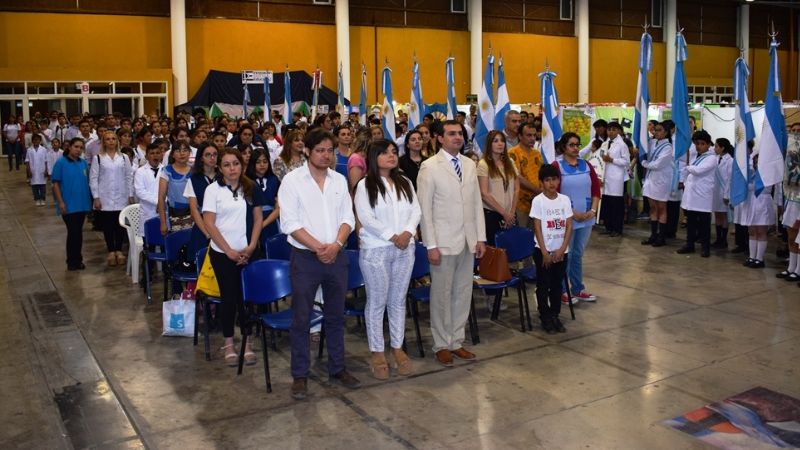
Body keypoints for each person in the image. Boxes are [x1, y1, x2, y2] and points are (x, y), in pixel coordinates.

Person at [278, 128, 360, 400]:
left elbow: (348, 218)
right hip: (305, 258)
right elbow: (290, 223)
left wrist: (335, 245)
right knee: (302, 318)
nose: (326, 155)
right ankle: (300, 375)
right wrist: (319, 248)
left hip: (336, 256)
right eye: (320, 150)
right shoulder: (292, 181)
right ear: (307, 151)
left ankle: (338, 367)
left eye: (329, 151)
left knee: (335, 316)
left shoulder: (339, 180)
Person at [417, 120, 486, 367]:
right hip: (443, 242)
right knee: (441, 295)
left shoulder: (469, 164)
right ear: (439, 138)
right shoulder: (429, 167)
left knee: (463, 293)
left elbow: (476, 203)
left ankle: (456, 341)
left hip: (468, 240)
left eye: (460, 134)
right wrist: (431, 245)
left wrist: (480, 237)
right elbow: (424, 210)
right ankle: (441, 344)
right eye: (451, 134)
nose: (457, 137)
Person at [354, 139, 421, 380]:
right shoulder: (365, 185)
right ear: (374, 157)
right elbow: (366, 217)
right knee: (377, 301)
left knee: (398, 300)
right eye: (385, 153)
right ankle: (377, 351)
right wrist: (392, 236)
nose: (391, 156)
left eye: (394, 152)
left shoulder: (404, 182)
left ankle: (397, 347)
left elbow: (416, 210)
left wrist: (407, 233)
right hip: (377, 249)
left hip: (405, 248)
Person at [203, 148, 264, 367]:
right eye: (227, 165)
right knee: (229, 299)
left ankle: (247, 343)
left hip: (248, 252)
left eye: (236, 164)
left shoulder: (251, 187)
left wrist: (252, 246)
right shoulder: (213, 190)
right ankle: (228, 343)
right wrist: (228, 250)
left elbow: (258, 219)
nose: (232, 169)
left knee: (247, 299)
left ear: (242, 165)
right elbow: (209, 223)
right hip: (223, 254)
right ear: (220, 168)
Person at [552, 132, 601, 304]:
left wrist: (593, 210)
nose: (575, 148)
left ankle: (578, 288)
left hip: (587, 218)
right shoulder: (556, 166)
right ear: (563, 147)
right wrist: (572, 213)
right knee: (567, 254)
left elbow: (596, 190)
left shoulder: (587, 165)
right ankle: (561, 290)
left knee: (578, 254)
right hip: (568, 219)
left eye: (577, 145)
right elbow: (554, 194)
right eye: (571, 145)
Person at [531, 164, 573, 334]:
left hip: (561, 251)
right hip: (543, 251)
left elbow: (569, 226)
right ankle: (545, 316)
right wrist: (544, 252)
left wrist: (562, 249)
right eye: (547, 180)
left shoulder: (564, 200)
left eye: (554, 179)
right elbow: (537, 227)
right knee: (543, 285)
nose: (551, 183)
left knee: (557, 285)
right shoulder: (538, 201)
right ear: (541, 183)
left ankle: (555, 314)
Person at [89, 130, 133, 267]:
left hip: (122, 196)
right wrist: (96, 197)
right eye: (108, 139)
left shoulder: (124, 157)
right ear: (103, 142)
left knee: (120, 224)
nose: (111, 141)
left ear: (117, 141)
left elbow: (129, 177)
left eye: (113, 139)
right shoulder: (98, 158)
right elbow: (93, 178)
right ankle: (111, 251)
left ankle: (119, 250)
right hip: (105, 196)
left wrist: (130, 194)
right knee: (108, 225)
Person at [52, 138, 92, 271]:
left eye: (81, 147)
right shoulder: (61, 163)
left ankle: (77, 259)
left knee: (78, 233)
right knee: (73, 232)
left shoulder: (83, 163)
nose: (78, 150)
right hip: (68, 205)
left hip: (82, 204)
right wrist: (61, 202)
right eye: (76, 147)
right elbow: (55, 184)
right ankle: (72, 261)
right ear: (69, 147)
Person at [677, 130, 716, 257]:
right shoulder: (696, 157)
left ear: (708, 144)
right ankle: (689, 244)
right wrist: (688, 168)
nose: (699, 146)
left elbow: (698, 171)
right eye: (697, 144)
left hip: (703, 196)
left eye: (702, 144)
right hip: (692, 195)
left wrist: (688, 167)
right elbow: (689, 171)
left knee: (704, 224)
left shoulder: (711, 158)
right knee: (691, 222)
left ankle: (705, 247)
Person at [640, 121, 675, 247]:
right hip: (651, 180)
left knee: (661, 208)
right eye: (656, 130)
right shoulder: (652, 142)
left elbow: (657, 165)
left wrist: (644, 163)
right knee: (653, 208)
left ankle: (661, 237)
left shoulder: (668, 147)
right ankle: (653, 235)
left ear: (666, 132)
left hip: (661, 181)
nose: (656, 132)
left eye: (660, 130)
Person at [740, 150, 777, 268]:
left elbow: (762, 188)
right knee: (752, 231)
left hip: (763, 202)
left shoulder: (769, 173)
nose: (756, 162)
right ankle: (752, 256)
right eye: (755, 160)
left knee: (761, 231)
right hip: (751, 202)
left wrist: (749, 185)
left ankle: (759, 259)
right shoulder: (752, 173)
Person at [184, 142, 217, 259]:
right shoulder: (193, 179)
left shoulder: (224, 177)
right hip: (202, 226)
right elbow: (194, 210)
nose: (212, 158)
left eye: (215, 154)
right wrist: (207, 233)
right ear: (201, 158)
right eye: (208, 155)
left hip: (222, 222)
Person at [507, 122, 544, 228]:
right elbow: (517, 178)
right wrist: (538, 191)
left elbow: (542, 175)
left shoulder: (537, 154)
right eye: (529, 135)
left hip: (537, 203)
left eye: (534, 135)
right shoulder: (513, 153)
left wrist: (542, 191)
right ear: (520, 136)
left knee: (536, 234)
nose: (532, 138)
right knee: (522, 234)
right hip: (520, 204)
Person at [777, 126, 800, 281]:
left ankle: (798, 270)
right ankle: (791, 267)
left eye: (798, 130)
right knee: (791, 236)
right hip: (791, 199)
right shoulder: (790, 155)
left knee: (799, 239)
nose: (795, 133)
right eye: (793, 130)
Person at [600, 122, 630, 237]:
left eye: (613, 129)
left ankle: (617, 229)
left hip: (616, 178)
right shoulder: (605, 143)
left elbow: (626, 161)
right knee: (607, 203)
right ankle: (608, 227)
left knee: (616, 205)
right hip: (605, 177)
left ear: (618, 131)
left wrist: (612, 160)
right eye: (609, 130)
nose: (610, 132)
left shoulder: (622, 145)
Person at [157, 140, 193, 235]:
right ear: (172, 154)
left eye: (185, 150)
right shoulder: (167, 171)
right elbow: (161, 197)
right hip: (175, 215)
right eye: (178, 150)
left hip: (194, 214)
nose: (182, 153)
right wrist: (163, 223)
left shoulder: (194, 171)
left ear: (189, 153)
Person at [245, 147, 280, 238]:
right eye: (258, 162)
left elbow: (278, 208)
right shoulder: (246, 181)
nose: (262, 165)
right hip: (252, 221)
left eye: (265, 161)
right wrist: (257, 226)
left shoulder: (274, 180)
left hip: (271, 221)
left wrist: (263, 224)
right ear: (252, 163)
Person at [133, 143, 163, 238]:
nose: (155, 155)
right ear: (146, 157)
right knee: (148, 240)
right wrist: (158, 202)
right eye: (152, 153)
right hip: (147, 211)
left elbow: (170, 191)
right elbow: (140, 192)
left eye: (157, 153)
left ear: (161, 155)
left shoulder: (166, 170)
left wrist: (162, 202)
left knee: (163, 239)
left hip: (163, 211)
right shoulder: (140, 171)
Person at [711, 138, 734, 249]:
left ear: (722, 148)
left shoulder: (730, 160)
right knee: (717, 215)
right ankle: (718, 238)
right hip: (715, 191)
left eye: (716, 146)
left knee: (724, 215)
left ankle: (724, 240)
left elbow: (730, 179)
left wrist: (726, 194)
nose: (714, 148)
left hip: (724, 191)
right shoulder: (715, 159)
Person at [25, 133, 48, 206]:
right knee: (34, 186)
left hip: (42, 170)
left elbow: (46, 161)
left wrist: (46, 170)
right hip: (33, 170)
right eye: (34, 140)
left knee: (42, 186)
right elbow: (27, 161)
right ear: (32, 141)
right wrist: (29, 171)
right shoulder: (29, 150)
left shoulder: (44, 149)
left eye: (38, 140)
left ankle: (42, 199)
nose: (36, 141)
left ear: (40, 141)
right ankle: (37, 199)